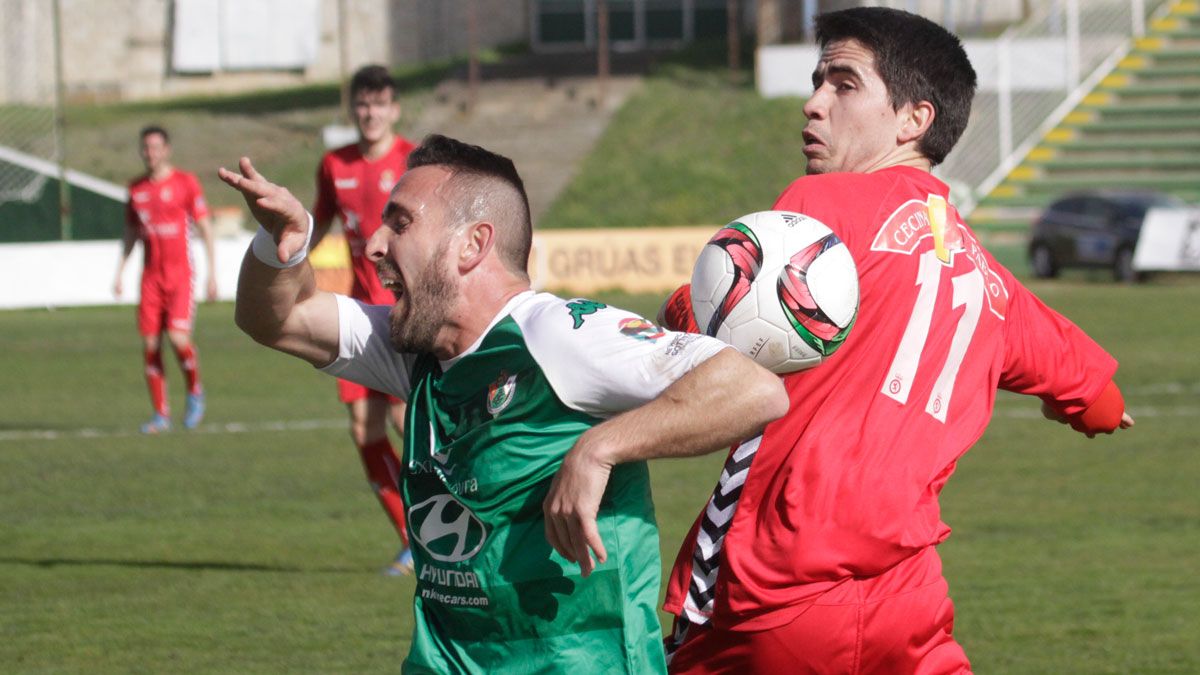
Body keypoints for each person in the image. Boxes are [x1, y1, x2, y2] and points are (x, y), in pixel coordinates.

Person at [544, 7, 1135, 673]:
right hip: (909, 601)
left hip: (773, 592)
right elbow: (1094, 390)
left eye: (844, 84)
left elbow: (710, 328)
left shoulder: (822, 208)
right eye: (818, 80)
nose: (814, 102)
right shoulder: (987, 274)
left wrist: (683, 306)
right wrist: (1095, 409)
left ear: (915, 119)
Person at [219, 134, 788, 673]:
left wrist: (598, 447)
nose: (373, 246)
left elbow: (753, 388)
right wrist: (280, 246)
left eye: (401, 224)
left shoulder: (558, 333)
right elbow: (275, 318)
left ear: (473, 244)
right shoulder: (418, 349)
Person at [312, 64, 418, 575]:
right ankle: (410, 537)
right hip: (359, 316)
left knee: (407, 420)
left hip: (405, 313)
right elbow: (319, 224)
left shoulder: (414, 160)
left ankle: (452, 520)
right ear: (352, 109)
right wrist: (286, 266)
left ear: (394, 109)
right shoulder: (334, 164)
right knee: (363, 429)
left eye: (379, 103)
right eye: (362, 104)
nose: (370, 112)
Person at [114, 125, 217, 434]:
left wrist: (213, 274)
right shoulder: (135, 190)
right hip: (150, 279)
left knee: (178, 338)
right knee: (150, 345)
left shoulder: (186, 183)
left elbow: (206, 228)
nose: (151, 153)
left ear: (167, 150)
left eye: (156, 147)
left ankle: (195, 391)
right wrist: (119, 272)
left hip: (180, 276)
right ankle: (161, 414)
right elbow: (131, 233)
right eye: (146, 148)